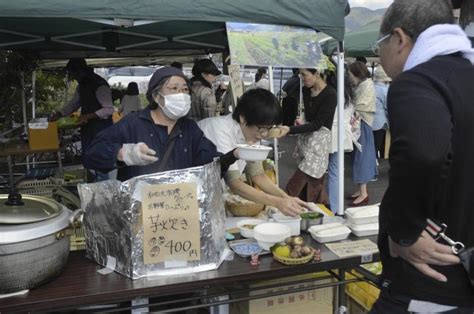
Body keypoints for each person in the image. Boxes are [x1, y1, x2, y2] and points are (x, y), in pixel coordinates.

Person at [370, 0, 474, 312]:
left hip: (430, 286)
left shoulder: (418, 80)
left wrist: (404, 232)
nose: (380, 55)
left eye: (380, 45)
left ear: (399, 39)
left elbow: (423, 153)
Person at [84, 67, 236, 181]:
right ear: (156, 96)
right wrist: (122, 153)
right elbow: (92, 154)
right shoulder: (133, 123)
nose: (181, 95)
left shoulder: (189, 128)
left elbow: (208, 163)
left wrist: (233, 155)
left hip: (178, 208)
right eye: (174, 89)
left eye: (185, 90)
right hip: (141, 211)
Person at [198, 89, 308, 217]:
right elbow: (234, 183)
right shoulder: (220, 130)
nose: (264, 135)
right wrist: (278, 202)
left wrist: (287, 198)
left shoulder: (252, 132)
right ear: (243, 118)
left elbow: (258, 174)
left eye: (269, 128)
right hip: (196, 189)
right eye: (262, 128)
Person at [277, 66, 337, 206]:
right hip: (306, 141)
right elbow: (310, 118)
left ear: (316, 73)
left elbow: (317, 124)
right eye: (300, 75)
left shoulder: (331, 94)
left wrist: (289, 129)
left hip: (319, 144)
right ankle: (310, 215)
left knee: (296, 186)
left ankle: (286, 208)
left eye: (304, 74)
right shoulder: (306, 90)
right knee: (311, 187)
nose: (302, 78)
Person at [51, 58, 114, 181]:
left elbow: (108, 109)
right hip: (88, 129)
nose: (74, 78)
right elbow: (74, 104)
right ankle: (92, 187)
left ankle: (104, 190)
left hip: (102, 130)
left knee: (101, 163)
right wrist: (60, 113)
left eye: (74, 74)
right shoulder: (82, 86)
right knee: (89, 161)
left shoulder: (100, 85)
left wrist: (88, 116)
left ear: (81, 71)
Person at [346, 61, 377, 206]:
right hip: (361, 124)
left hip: (362, 124)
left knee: (361, 157)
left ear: (357, 74)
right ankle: (360, 190)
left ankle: (363, 193)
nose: (349, 77)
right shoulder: (364, 84)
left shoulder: (366, 86)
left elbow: (363, 105)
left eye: (350, 74)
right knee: (358, 156)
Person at [371, 65, 390, 160]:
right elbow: (388, 106)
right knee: (378, 144)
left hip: (370, 120)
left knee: (370, 145)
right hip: (380, 121)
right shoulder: (384, 90)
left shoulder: (371, 86)